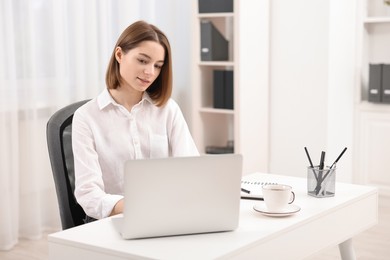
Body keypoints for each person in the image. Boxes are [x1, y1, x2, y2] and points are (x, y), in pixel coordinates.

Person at [72, 20, 199, 221]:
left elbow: (191, 170)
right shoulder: (86, 117)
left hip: (167, 215)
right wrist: (139, 207)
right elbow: (89, 194)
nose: (150, 72)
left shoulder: (168, 110)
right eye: (142, 60)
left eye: (158, 66)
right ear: (119, 55)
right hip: (113, 222)